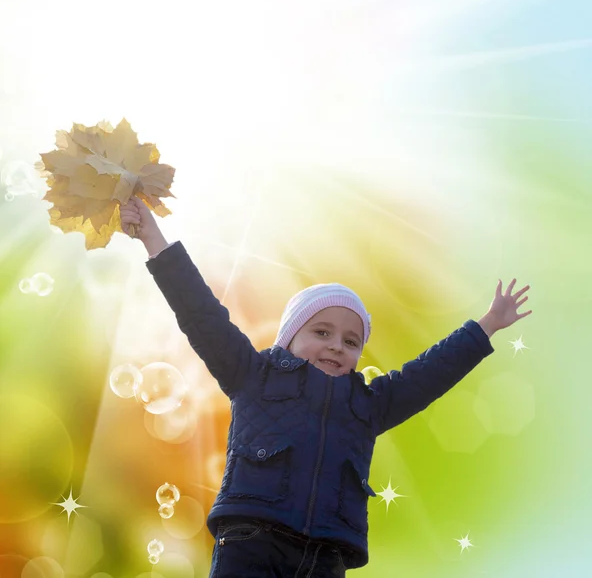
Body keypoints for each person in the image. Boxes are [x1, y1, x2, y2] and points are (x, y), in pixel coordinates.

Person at [120, 196, 532, 577]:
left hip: (326, 557)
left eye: (351, 341)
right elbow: (200, 312)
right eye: (322, 331)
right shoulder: (251, 373)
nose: (337, 345)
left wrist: (486, 326)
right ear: (290, 337)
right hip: (252, 543)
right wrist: (153, 239)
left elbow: (429, 373)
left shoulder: (369, 403)